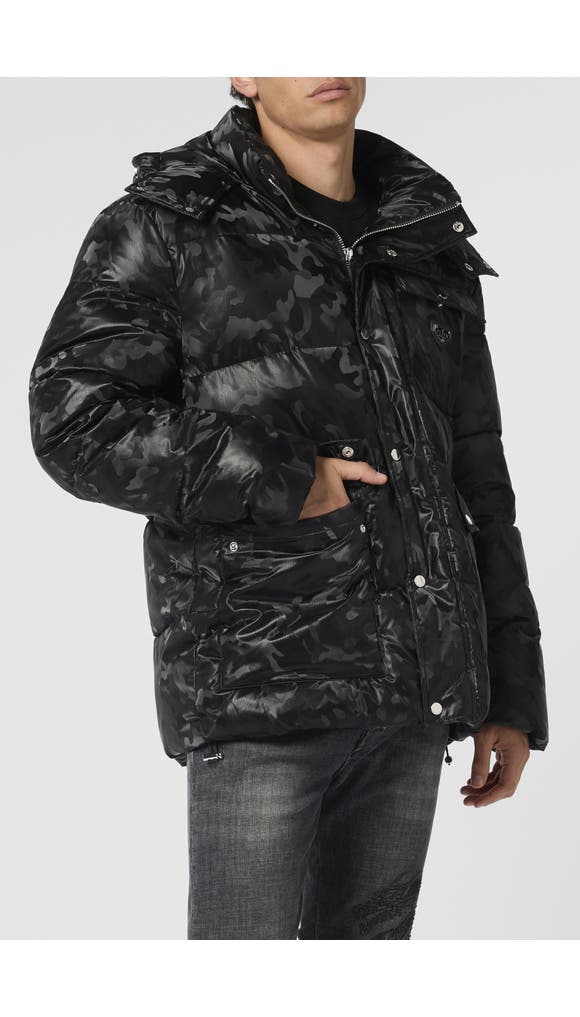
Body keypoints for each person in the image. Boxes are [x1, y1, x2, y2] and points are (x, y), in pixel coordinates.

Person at [28, 77, 549, 939]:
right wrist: (283, 478)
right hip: (262, 686)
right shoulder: (168, 223)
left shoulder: (421, 233)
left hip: (413, 697)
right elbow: (73, 419)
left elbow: (478, 473)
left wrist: (511, 687)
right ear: (244, 71)